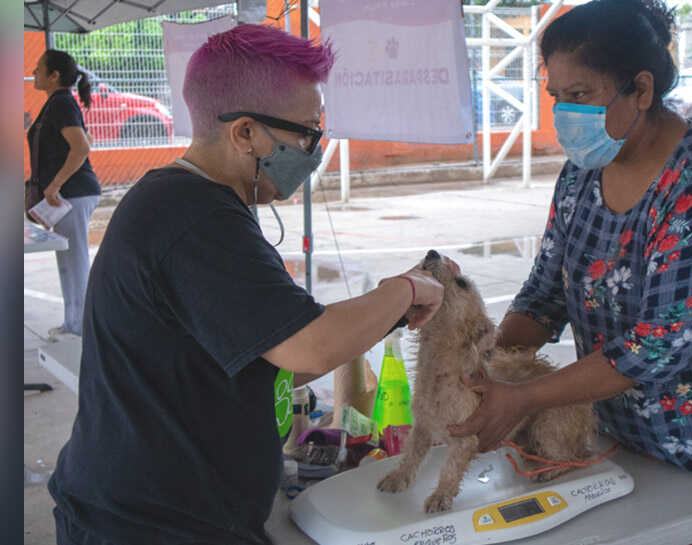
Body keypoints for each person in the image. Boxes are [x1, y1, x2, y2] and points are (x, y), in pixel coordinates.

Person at [47, 25, 443, 545]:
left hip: (173, 506)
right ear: (246, 133)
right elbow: (310, 346)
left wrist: (385, 315)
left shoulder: (191, 201)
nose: (314, 148)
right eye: (306, 131)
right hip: (147, 523)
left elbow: (267, 353)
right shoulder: (194, 216)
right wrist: (408, 288)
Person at [447, 2, 692, 544]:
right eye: (556, 98)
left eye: (580, 96)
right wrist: (476, 368)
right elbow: (545, 294)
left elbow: (656, 347)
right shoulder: (580, 175)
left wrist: (522, 397)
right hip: (628, 432)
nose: (564, 115)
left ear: (641, 90)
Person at [29, 50, 101, 339]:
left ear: (54, 75)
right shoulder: (58, 104)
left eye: (38, 69)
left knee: (75, 262)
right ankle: (73, 324)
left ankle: (81, 328)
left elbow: (81, 148)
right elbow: (86, 141)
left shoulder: (61, 104)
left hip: (72, 193)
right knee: (68, 263)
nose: (34, 73)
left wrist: (55, 185)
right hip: (64, 195)